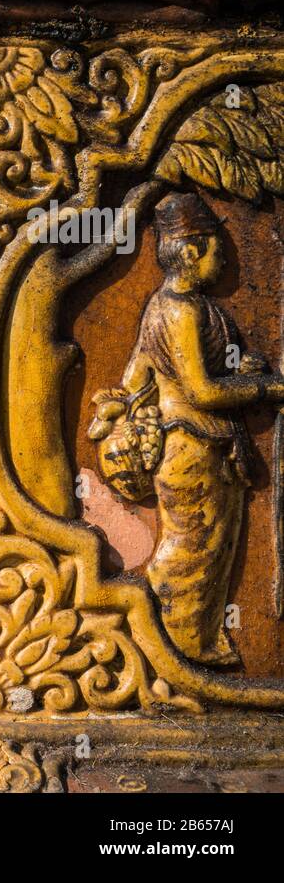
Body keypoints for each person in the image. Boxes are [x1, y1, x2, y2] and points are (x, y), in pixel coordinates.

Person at [99, 191, 284, 666]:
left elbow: (136, 377)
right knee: (190, 548)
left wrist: (240, 367)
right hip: (191, 445)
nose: (227, 255)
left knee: (210, 545)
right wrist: (265, 390)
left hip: (203, 445)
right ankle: (173, 647)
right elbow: (201, 391)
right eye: (218, 245)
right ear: (192, 250)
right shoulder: (179, 310)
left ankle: (197, 642)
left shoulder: (175, 308)